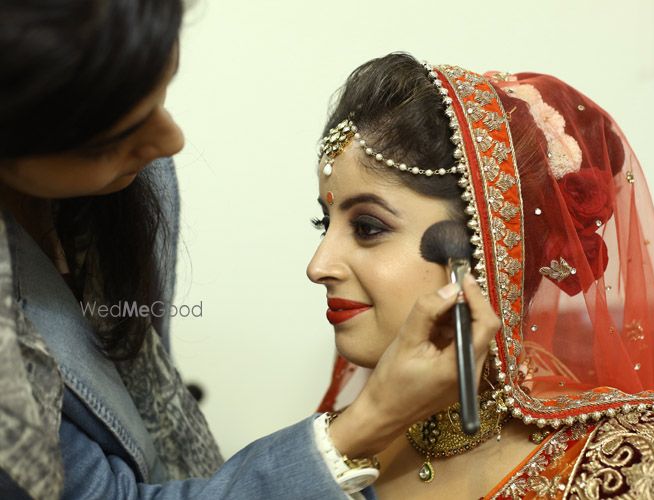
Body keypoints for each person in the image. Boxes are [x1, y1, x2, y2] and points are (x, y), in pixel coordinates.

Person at [0, 3, 500, 499]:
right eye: (112, 137)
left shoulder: (574, 472)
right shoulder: (358, 448)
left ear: (493, 239)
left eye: (367, 227)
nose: (171, 141)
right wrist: (367, 423)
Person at [309, 53, 654, 499]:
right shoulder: (330, 450)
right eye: (323, 225)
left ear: (491, 243)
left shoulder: (652, 470)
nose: (318, 266)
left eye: (367, 227)